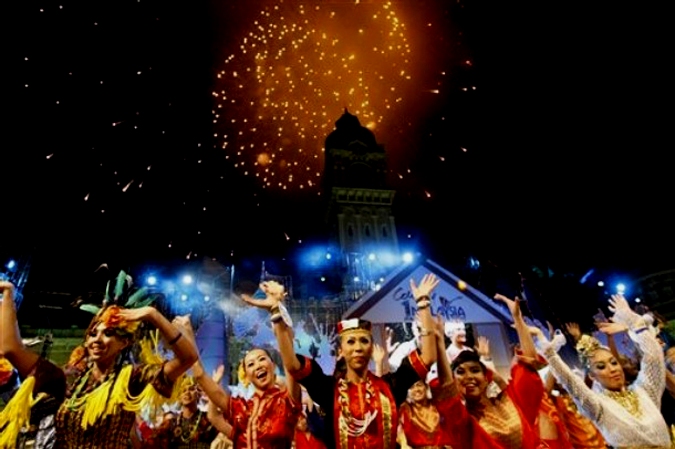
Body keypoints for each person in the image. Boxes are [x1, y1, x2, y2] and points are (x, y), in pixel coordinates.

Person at [243, 275, 439, 449]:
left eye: (364, 341)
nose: (358, 347)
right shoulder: (329, 390)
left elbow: (428, 358)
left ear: (371, 348)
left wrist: (423, 304)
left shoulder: (390, 386)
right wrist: (276, 313)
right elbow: (293, 365)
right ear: (341, 351)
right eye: (351, 342)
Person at [0, 279, 198, 448]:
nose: (97, 339)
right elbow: (10, 349)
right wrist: (9, 293)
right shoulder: (67, 379)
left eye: (108, 334)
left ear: (124, 342)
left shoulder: (131, 378)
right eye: (93, 333)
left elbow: (188, 358)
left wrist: (152, 315)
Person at [537, 294, 672, 448]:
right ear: (593, 377)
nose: (612, 369)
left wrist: (634, 322)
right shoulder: (598, 406)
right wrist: (550, 355)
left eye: (614, 363)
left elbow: (654, 358)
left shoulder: (645, 391)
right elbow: (571, 383)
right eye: (601, 367)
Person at [432, 293, 545, 449]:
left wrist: (518, 319)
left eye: (474, 370)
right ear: (455, 383)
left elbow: (529, 365)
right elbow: (447, 392)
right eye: (460, 372)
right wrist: (438, 343)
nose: (468, 377)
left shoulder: (511, 398)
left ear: (486, 378)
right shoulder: (464, 422)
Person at [182, 317, 302, 449]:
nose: (258, 366)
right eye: (251, 364)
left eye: (262, 359)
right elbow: (200, 375)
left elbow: (291, 365)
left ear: (272, 365)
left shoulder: (286, 402)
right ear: (247, 376)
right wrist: (188, 335)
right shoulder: (240, 410)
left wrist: (279, 322)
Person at [397, 380, 443, 449]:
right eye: (412, 387)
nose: (416, 389)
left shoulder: (437, 405)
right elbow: (399, 429)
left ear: (426, 387)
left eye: (419, 385)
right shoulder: (405, 409)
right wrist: (403, 443)